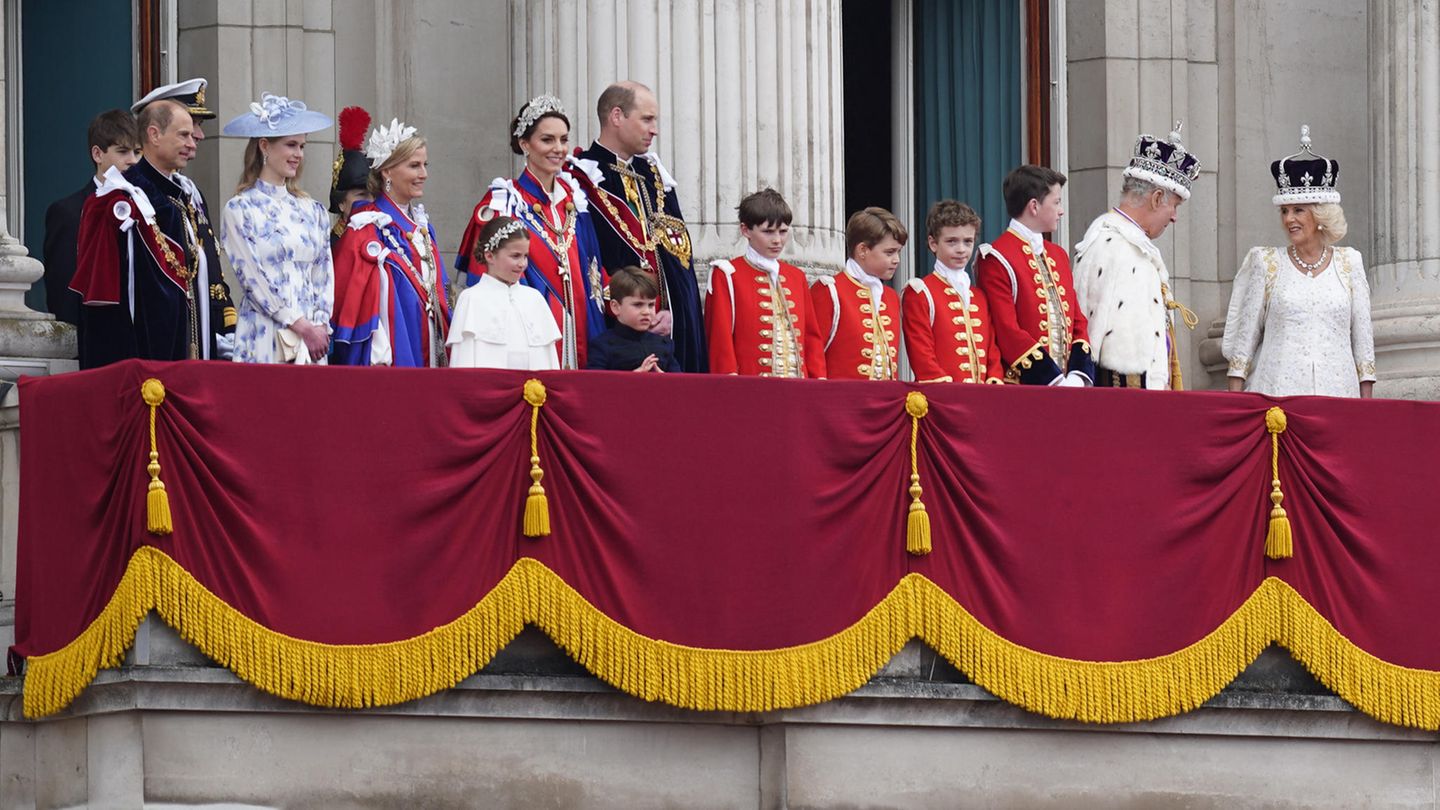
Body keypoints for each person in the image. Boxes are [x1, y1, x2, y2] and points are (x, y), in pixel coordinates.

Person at [71, 84, 236, 368]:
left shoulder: (181, 195)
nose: (194, 141)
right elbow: (106, 307)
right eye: (184, 134)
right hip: (142, 365)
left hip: (190, 356)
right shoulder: (121, 199)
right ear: (154, 135)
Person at [1222, 126, 1375, 398]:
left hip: (1338, 397)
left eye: (1298, 210)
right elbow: (1243, 344)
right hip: (1276, 397)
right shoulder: (1266, 262)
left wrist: (1366, 407)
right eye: (1284, 211)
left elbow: (1363, 343)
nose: (1288, 219)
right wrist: (1236, 404)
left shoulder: (1350, 263)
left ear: (1320, 215)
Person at [457, 95, 606, 369]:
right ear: (525, 144)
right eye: (547, 140)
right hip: (529, 337)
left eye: (563, 139)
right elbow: (490, 280)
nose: (559, 148)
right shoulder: (504, 202)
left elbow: (593, 269)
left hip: (584, 326)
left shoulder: (575, 200)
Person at [569, 81, 707, 372]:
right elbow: (584, 261)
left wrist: (672, 312)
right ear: (616, 116)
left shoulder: (653, 175)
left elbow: (677, 258)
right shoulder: (580, 176)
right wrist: (631, 313)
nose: (654, 129)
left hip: (666, 337)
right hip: (614, 336)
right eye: (647, 119)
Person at [1073, 124, 1201, 390]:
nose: (1175, 217)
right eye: (1174, 206)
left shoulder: (1136, 244)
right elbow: (1088, 336)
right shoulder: (1107, 244)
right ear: (1156, 199)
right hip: (1118, 397)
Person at [219, 93, 335, 365]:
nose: (298, 154)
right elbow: (252, 279)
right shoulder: (240, 209)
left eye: (302, 147)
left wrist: (319, 324)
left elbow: (324, 272)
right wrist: (299, 324)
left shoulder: (313, 210)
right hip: (263, 334)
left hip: (311, 343)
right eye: (291, 145)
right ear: (264, 146)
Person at [330, 117, 452, 367]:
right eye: (414, 166)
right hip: (395, 350)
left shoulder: (423, 226)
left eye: (425, 165)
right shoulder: (364, 229)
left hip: (433, 345)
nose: (423, 174)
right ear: (386, 170)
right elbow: (351, 303)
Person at [975, 165, 1095, 386]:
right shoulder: (996, 257)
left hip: (1070, 385)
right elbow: (1006, 329)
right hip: (1023, 388)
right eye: (1056, 202)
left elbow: (1077, 319)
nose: (1061, 211)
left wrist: (1078, 375)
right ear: (1034, 206)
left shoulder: (1057, 254)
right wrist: (1054, 380)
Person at [705, 188, 825, 378]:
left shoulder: (796, 276)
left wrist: (819, 381)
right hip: (752, 391)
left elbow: (811, 337)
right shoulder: (727, 274)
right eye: (768, 232)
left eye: (783, 231)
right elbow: (720, 340)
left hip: (799, 389)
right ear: (745, 230)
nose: (777, 240)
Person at [42, 110, 141, 327]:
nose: (133, 160)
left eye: (137, 152)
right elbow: (63, 289)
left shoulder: (149, 206)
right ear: (98, 154)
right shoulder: (68, 212)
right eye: (123, 151)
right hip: (96, 338)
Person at [902, 200, 1002, 384]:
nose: (961, 249)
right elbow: (921, 353)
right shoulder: (920, 292)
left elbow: (992, 348)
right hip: (942, 399)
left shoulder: (979, 296)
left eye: (968, 241)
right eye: (952, 241)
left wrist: (994, 378)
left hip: (983, 398)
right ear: (933, 243)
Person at [448, 216, 561, 370]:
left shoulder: (535, 299)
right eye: (515, 256)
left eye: (525, 256)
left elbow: (550, 362)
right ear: (489, 256)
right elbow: (462, 362)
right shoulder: (471, 299)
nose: (522, 264)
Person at [811, 207, 906, 381]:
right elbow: (813, 355)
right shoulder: (829, 290)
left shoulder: (891, 297)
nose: (896, 260)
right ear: (862, 250)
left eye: (898, 252)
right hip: (842, 403)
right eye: (889, 252)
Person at [586, 267, 680, 372]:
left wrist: (665, 379)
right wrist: (634, 377)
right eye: (638, 305)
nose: (646, 312)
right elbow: (594, 385)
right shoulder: (602, 346)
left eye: (651, 305)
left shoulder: (664, 345)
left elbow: (680, 385)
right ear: (616, 307)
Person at [329, 106, 372, 245]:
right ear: (341, 203)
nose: (370, 201)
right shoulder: (331, 246)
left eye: (374, 195)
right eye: (361, 195)